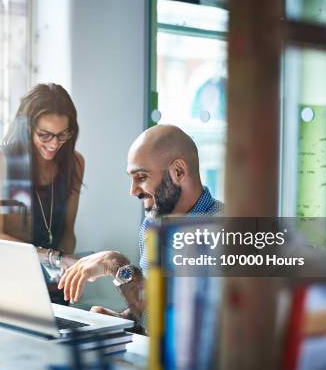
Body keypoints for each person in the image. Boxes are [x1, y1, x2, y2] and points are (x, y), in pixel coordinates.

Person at [57, 124, 223, 327]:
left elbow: (185, 331)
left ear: (178, 172)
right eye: (132, 179)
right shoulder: (151, 225)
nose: (133, 191)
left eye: (142, 177)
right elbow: (151, 309)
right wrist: (125, 319)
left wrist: (115, 264)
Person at [0, 83, 84, 303]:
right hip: (5, 286)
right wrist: (54, 258)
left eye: (62, 134)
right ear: (27, 128)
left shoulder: (74, 163)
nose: (54, 143)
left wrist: (65, 271)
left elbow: (67, 233)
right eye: (45, 135)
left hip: (53, 287)